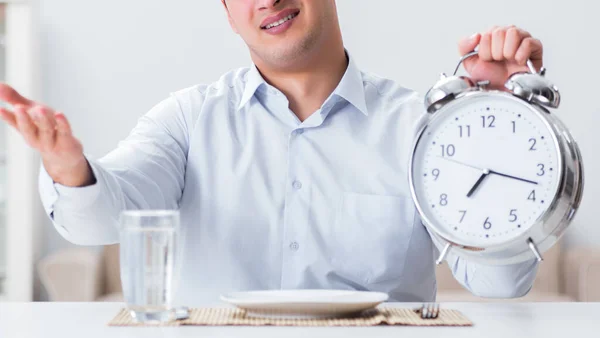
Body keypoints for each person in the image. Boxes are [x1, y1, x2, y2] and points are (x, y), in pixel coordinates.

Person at [0, 0, 543, 304]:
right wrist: (68, 166)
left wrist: (499, 126)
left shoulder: (421, 127)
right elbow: (102, 217)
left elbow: (500, 283)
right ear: (228, 13)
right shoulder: (187, 120)